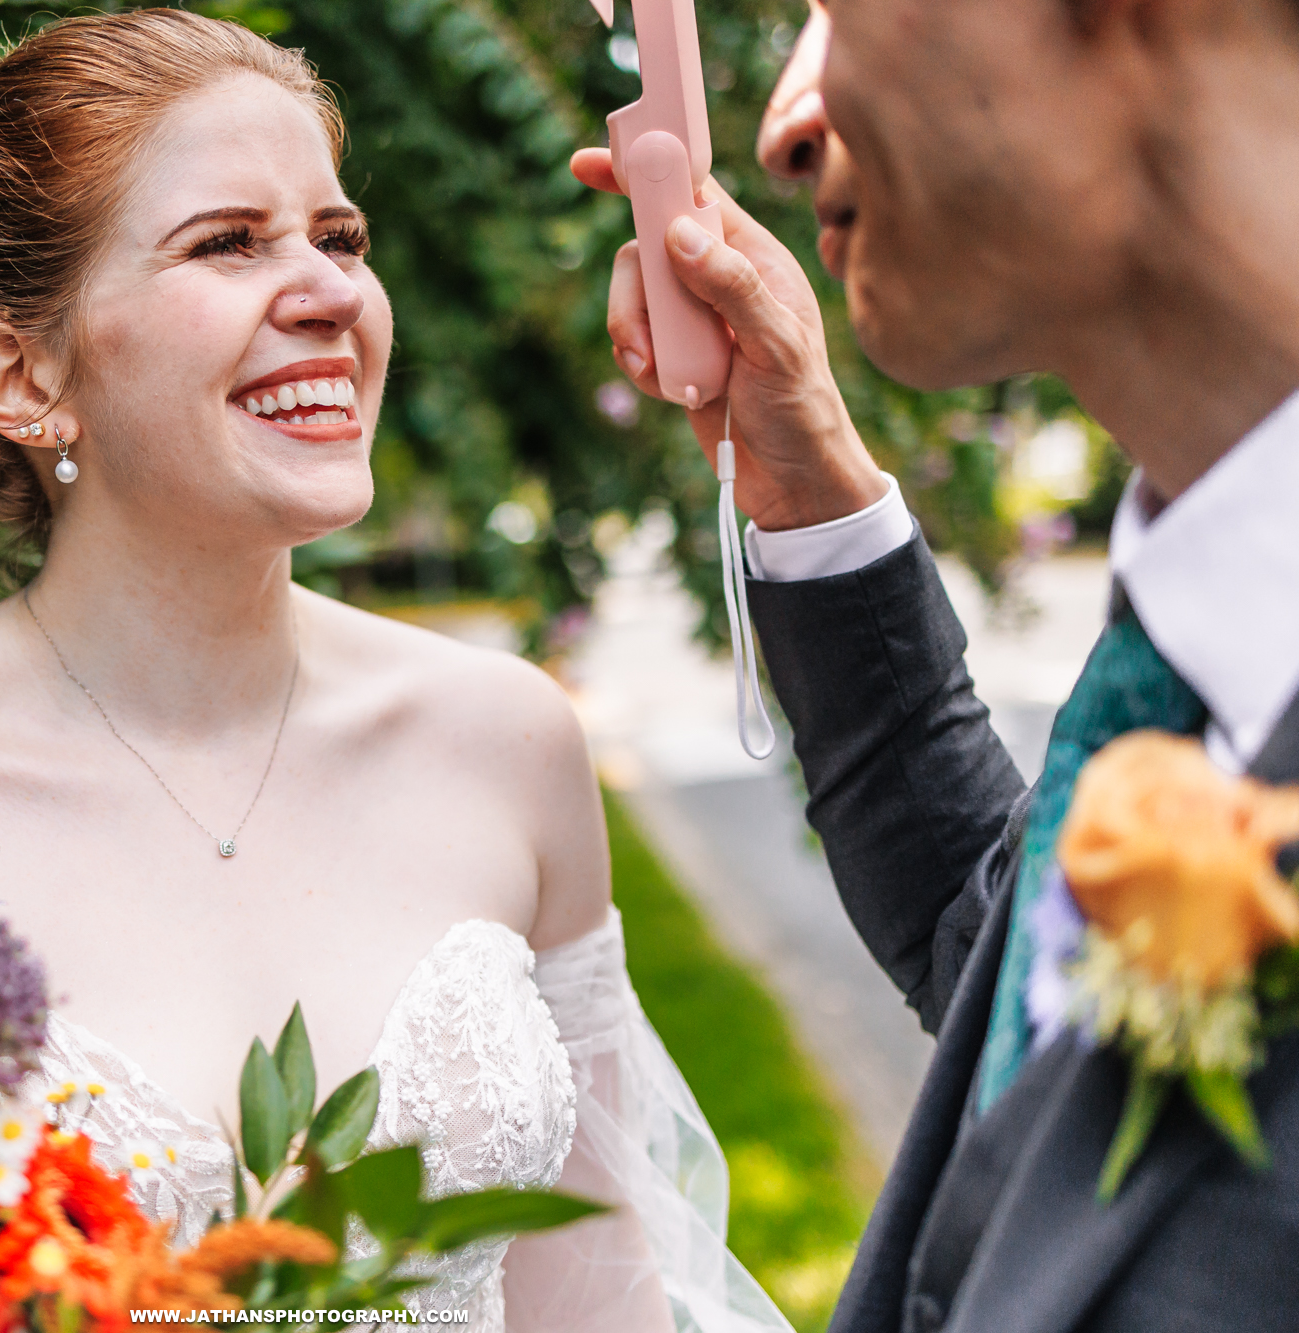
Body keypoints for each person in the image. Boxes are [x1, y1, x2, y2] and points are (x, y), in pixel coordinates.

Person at [0, 12, 786, 1330]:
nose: (327, 290)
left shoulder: (508, 745)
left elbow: (595, 1297)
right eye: (228, 242)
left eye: (341, 237)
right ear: (20, 373)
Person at [576, 0, 1299, 1327]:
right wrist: (806, 495)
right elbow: (1008, 976)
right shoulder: (1196, 651)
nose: (788, 125)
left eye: (837, 6)